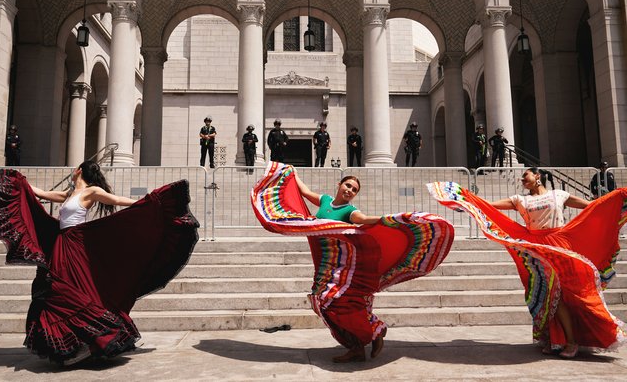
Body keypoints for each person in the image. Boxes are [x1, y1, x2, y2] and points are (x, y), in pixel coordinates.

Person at [0, 160, 199, 365]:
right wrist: (20, 181)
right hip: (61, 244)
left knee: (65, 290)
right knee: (58, 289)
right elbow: (41, 193)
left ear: (79, 171)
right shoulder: (69, 194)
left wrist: (145, 203)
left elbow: (114, 200)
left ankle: (92, 340)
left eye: (75, 169)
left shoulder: (91, 191)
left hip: (75, 244)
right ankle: (79, 343)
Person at [252, 162, 455, 363]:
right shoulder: (325, 200)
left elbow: (364, 219)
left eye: (354, 189)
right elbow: (304, 191)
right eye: (347, 186)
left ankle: (368, 335)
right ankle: (363, 341)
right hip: (325, 261)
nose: (350, 190)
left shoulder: (350, 211)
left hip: (343, 264)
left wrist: (392, 219)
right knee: (324, 301)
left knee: (332, 301)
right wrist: (292, 172)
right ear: (339, 185)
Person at [428, 167, 627, 359]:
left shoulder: (559, 195)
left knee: (566, 295)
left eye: (525, 175)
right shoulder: (519, 200)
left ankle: (571, 340)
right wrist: (469, 201)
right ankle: (556, 339)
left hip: (560, 247)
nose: (522, 180)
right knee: (547, 296)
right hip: (536, 250)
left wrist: (615, 199)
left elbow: (592, 206)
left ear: (537, 176)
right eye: (522, 178)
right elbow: (489, 206)